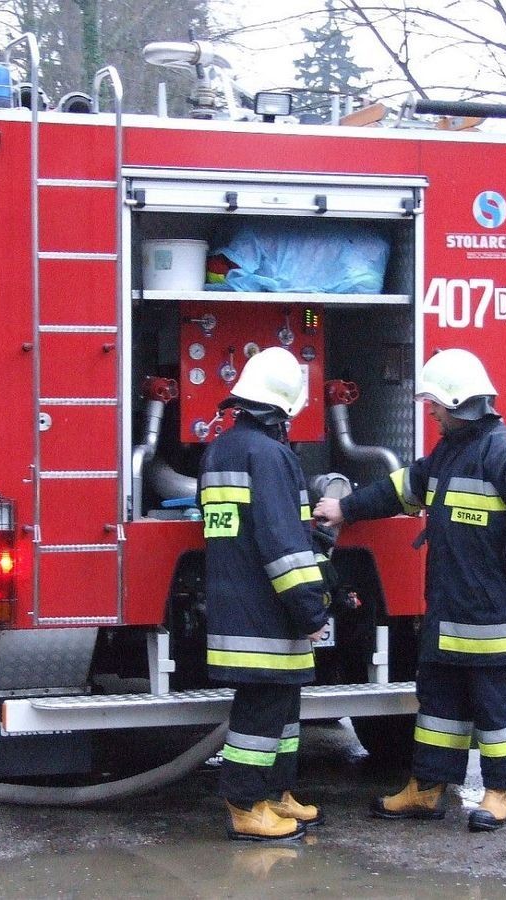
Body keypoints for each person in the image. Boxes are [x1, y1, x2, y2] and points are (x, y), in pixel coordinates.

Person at [314, 348, 506, 832]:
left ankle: (498, 794)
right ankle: (427, 789)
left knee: (497, 709)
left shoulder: (504, 452)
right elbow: (401, 489)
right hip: (451, 614)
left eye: (435, 404)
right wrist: (346, 508)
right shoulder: (450, 452)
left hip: (492, 620)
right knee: (438, 708)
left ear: (456, 403)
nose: (430, 412)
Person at [199, 346, 331, 841]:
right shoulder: (271, 456)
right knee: (261, 710)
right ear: (283, 407)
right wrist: (311, 610)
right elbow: (282, 546)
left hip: (237, 602)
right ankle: (246, 806)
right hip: (268, 610)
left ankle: (276, 793)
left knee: (281, 705)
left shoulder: (220, 451)